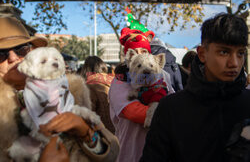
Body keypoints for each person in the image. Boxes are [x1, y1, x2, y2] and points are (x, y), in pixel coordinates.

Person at [0, 17, 119, 162]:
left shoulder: (73, 90)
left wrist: (85, 132)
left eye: (21, 50)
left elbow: (112, 152)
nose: (13, 58)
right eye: (2, 54)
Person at [140, 13, 249, 162]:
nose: (234, 63)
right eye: (224, 52)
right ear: (202, 54)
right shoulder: (171, 109)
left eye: (241, 53)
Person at [109, 27, 174, 162]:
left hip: (160, 150)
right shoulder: (120, 81)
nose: (139, 55)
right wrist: (167, 114)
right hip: (131, 150)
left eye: (143, 51)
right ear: (129, 57)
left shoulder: (164, 76)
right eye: (134, 52)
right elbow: (133, 112)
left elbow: (174, 103)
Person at [80, 55, 115, 133]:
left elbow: (88, 115)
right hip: (119, 133)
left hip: (101, 134)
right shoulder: (115, 83)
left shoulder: (89, 87)